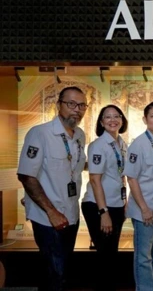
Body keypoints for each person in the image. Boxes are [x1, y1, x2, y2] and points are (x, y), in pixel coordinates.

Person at [17, 86, 88, 291]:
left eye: (82, 105)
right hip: (48, 217)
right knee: (53, 273)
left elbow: (73, 167)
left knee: (63, 270)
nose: (77, 109)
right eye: (71, 104)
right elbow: (26, 175)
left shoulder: (80, 136)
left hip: (71, 214)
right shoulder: (40, 133)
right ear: (58, 105)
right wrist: (51, 212)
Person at [81, 105, 128, 291]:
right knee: (105, 255)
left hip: (116, 205)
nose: (113, 120)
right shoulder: (98, 146)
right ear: (101, 122)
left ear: (122, 120)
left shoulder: (122, 143)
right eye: (107, 117)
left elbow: (121, 175)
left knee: (111, 254)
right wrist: (104, 212)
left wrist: (125, 203)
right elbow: (94, 179)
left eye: (116, 116)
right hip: (98, 207)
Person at [123, 101, 153, 291]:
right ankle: (144, 288)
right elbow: (131, 178)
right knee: (143, 255)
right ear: (145, 119)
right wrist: (143, 208)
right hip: (145, 208)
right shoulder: (138, 145)